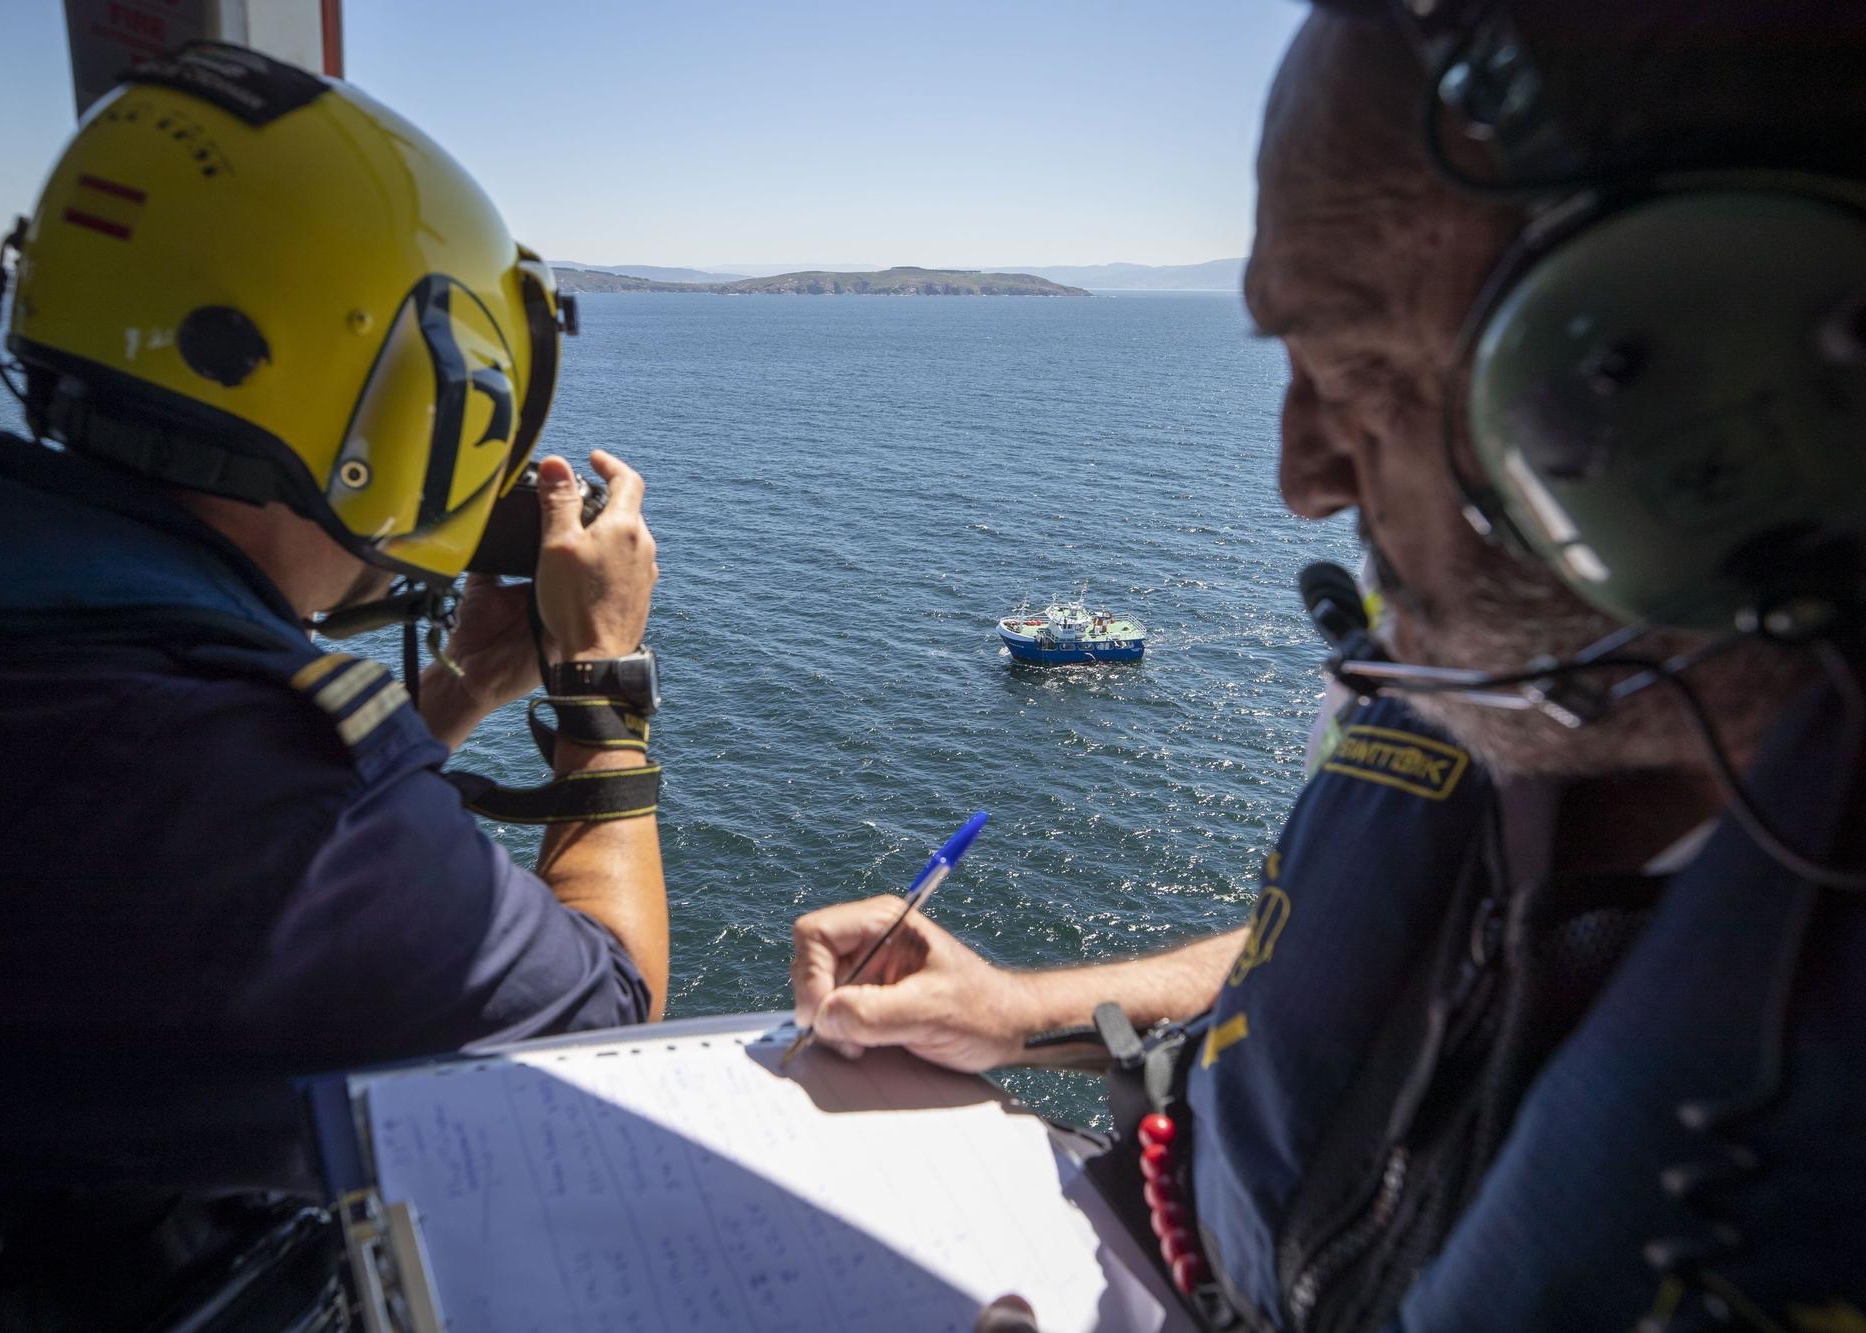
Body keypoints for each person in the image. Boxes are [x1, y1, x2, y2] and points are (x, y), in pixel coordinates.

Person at [792, 2, 1866, 1327]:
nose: (1303, 479)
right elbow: (1354, 962)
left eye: (1356, 365)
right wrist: (1024, 1013)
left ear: (1729, 365)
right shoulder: (1488, 660)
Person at [0, 44, 666, 1324]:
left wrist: (456, 691)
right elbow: (601, 1022)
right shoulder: (242, 805)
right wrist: (598, 677)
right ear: (425, 410)